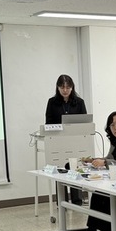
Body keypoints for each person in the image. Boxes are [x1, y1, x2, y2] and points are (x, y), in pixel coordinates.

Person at [44, 74, 87, 205]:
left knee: (74, 168)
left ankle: (77, 200)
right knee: (60, 169)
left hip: (75, 141)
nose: (65, 90)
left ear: (72, 87)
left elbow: (84, 122)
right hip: (58, 142)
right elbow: (48, 122)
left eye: (68, 87)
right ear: (57, 88)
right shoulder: (52, 102)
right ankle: (61, 201)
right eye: (62, 87)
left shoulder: (79, 102)